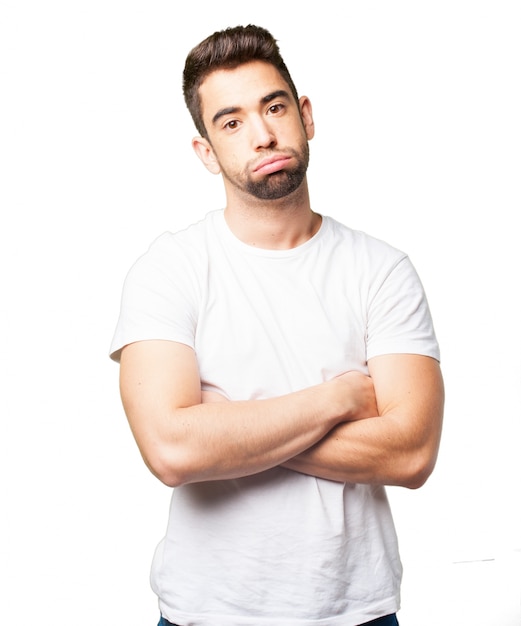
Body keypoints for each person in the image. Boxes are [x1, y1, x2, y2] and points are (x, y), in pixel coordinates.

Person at [109, 24, 444, 626]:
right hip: (206, 613)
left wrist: (226, 427)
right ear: (206, 152)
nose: (263, 134)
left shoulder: (381, 270)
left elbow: (412, 453)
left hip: (356, 611)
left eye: (274, 107)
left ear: (305, 115)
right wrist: (339, 398)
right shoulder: (171, 268)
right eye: (232, 122)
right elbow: (171, 450)